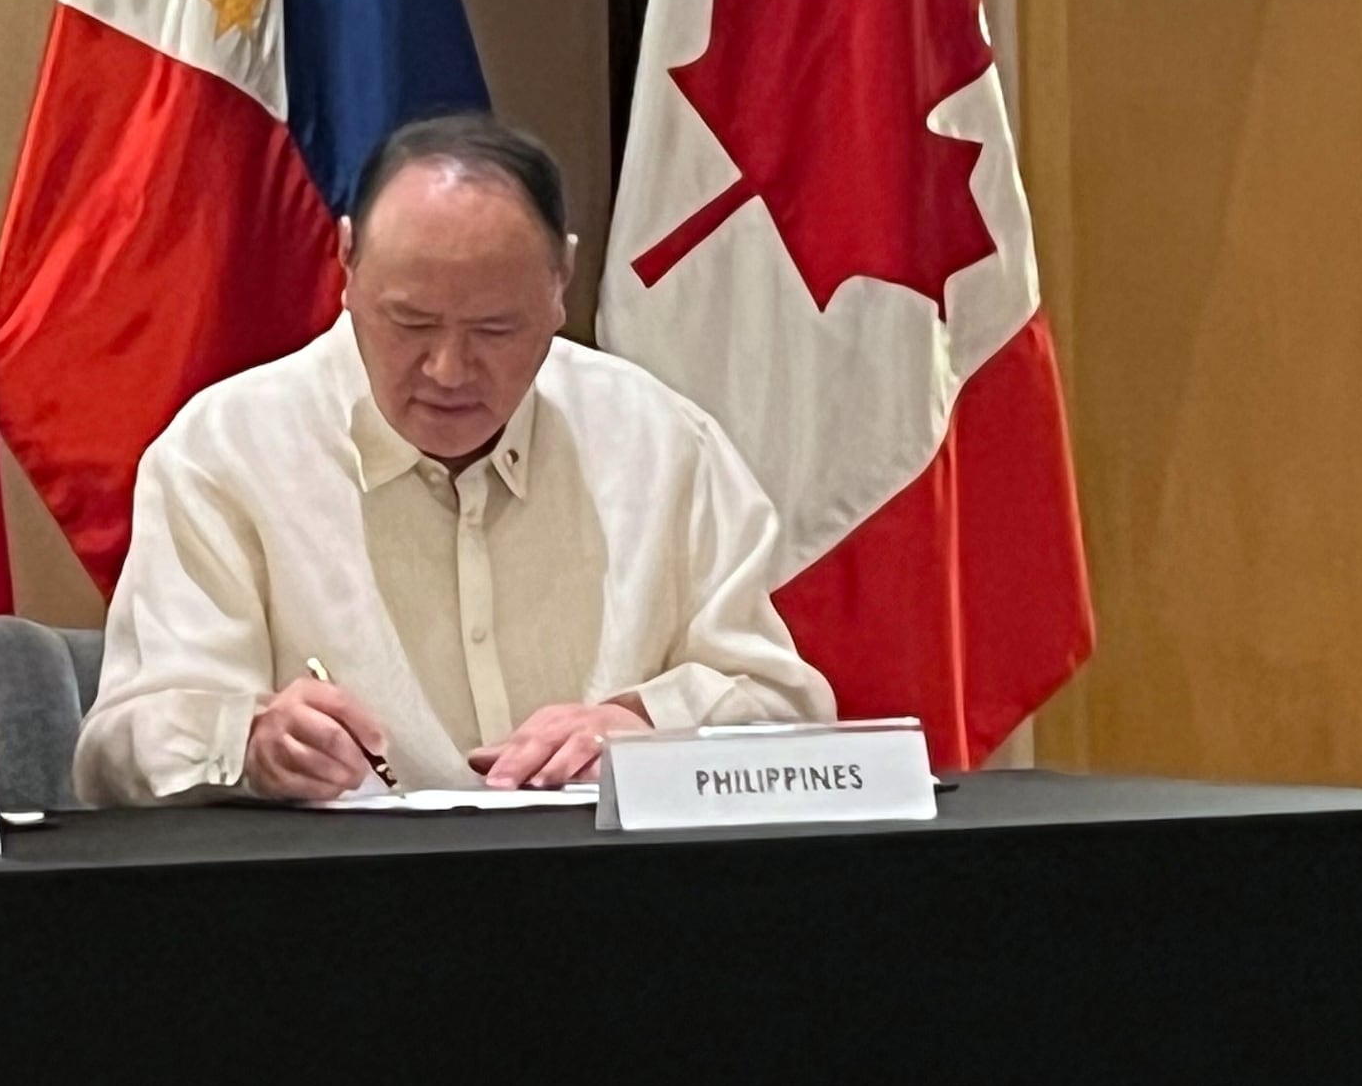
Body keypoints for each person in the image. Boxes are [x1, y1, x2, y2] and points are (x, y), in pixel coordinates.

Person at [74, 114, 834, 806]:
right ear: (346, 263)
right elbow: (118, 747)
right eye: (410, 322)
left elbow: (789, 707)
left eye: (496, 330)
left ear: (559, 282)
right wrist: (249, 741)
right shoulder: (224, 451)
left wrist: (643, 724)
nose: (447, 369)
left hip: (614, 906)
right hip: (338, 915)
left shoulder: (662, 442)